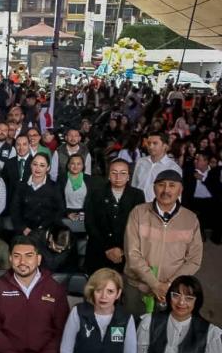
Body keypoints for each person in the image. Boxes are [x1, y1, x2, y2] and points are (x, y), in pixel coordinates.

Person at [123, 169, 203, 316]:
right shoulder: (138, 213)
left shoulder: (190, 219)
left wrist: (169, 285)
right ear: (154, 188)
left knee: (164, 332)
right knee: (133, 327)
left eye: (172, 185)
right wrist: (154, 284)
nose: (166, 190)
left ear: (180, 190)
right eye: (161, 185)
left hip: (172, 291)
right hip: (138, 286)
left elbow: (194, 259)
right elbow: (132, 253)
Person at [84, 159, 145, 274]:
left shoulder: (137, 195)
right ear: (108, 175)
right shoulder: (96, 193)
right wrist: (107, 248)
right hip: (99, 251)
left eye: (123, 173)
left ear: (128, 176)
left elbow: (139, 226)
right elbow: (90, 223)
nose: (118, 177)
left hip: (127, 253)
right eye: (114, 173)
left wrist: (121, 249)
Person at [9, 153, 64, 239]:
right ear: (31, 165)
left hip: (46, 231)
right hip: (23, 231)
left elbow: (59, 210)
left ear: (48, 168)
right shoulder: (21, 185)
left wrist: (43, 227)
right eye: (35, 164)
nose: (37, 168)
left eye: (42, 165)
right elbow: (15, 209)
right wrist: (23, 228)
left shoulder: (54, 187)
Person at [131, 133, 182, 202]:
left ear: (165, 146)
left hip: (157, 208)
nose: (150, 146)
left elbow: (176, 194)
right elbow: (134, 184)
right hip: (137, 204)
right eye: (149, 143)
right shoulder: (141, 162)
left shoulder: (173, 167)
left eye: (155, 143)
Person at [58, 154, 92, 222]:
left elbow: (91, 200)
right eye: (72, 163)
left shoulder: (88, 179)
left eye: (79, 164)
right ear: (68, 165)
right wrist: (67, 214)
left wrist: (85, 214)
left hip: (84, 213)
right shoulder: (61, 178)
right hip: (65, 213)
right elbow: (58, 199)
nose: (75, 166)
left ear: (83, 166)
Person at [1, 133, 33, 202]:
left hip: (31, 204)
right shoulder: (8, 163)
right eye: (18, 144)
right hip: (11, 203)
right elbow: (3, 185)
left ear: (29, 145)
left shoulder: (35, 162)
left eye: (24, 144)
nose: (21, 148)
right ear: (14, 146)